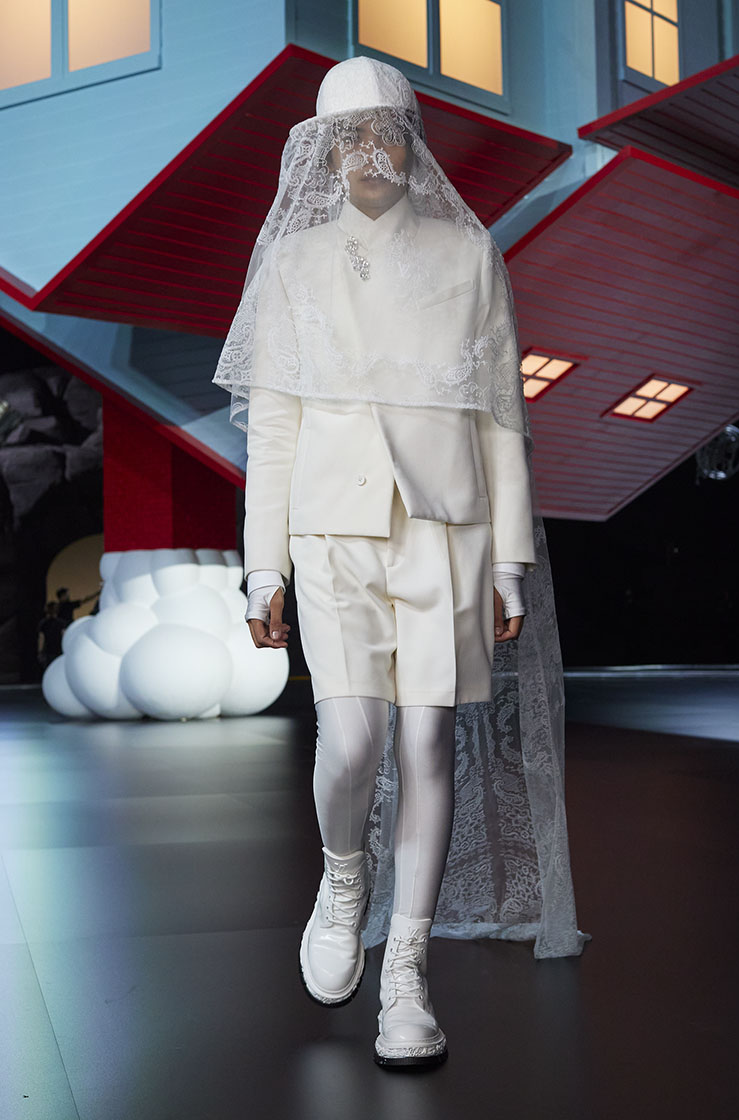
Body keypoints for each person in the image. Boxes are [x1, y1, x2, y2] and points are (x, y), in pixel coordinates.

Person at [214, 56, 584, 1069]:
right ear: (322, 151)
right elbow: (273, 429)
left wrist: (509, 562)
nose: (364, 152)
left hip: (447, 529)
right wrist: (263, 570)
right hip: (331, 531)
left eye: (380, 131)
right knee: (350, 744)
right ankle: (344, 878)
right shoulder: (291, 264)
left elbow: (501, 417)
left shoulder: (467, 254)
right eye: (344, 137)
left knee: (424, 746)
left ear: (410, 137)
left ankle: (407, 974)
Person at [38, 601, 65, 667]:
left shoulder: (43, 623)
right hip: (58, 651)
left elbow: (41, 638)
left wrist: (40, 651)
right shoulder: (61, 623)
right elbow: (64, 636)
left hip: (48, 651)